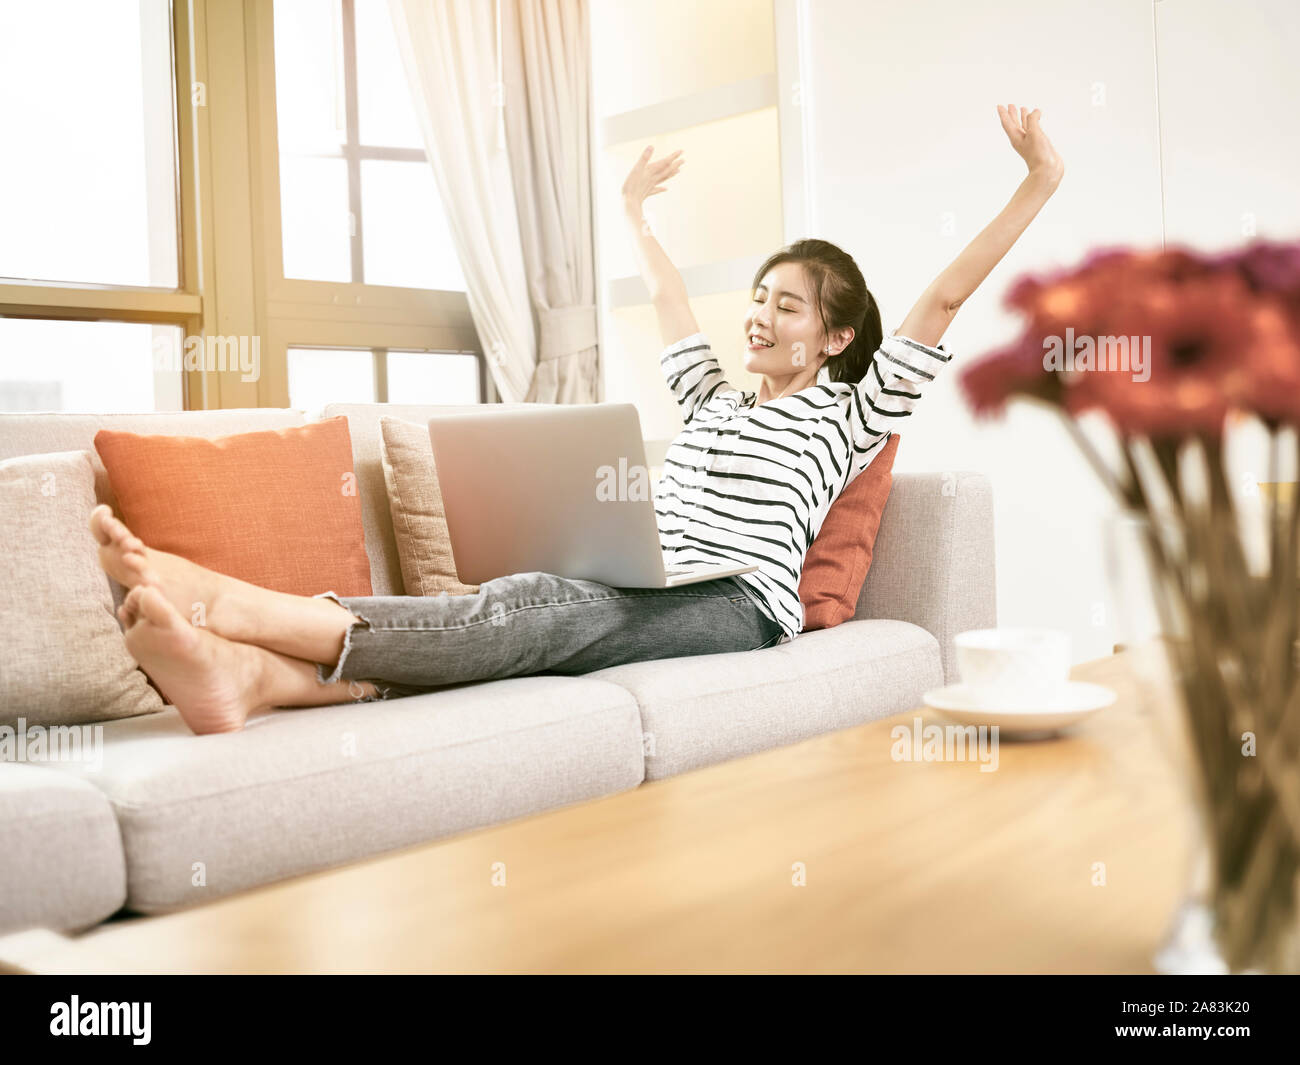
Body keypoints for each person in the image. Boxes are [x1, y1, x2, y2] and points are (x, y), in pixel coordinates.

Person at [94, 104, 1063, 736]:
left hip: (734, 605)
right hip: (645, 581)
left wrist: (1036, 182)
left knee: (533, 612)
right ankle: (260, 682)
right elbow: (673, 301)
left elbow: (939, 302)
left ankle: (239, 608)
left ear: (832, 336)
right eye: (758, 297)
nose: (759, 315)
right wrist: (635, 214)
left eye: (787, 306)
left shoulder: (850, 414)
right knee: (529, 612)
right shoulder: (713, 401)